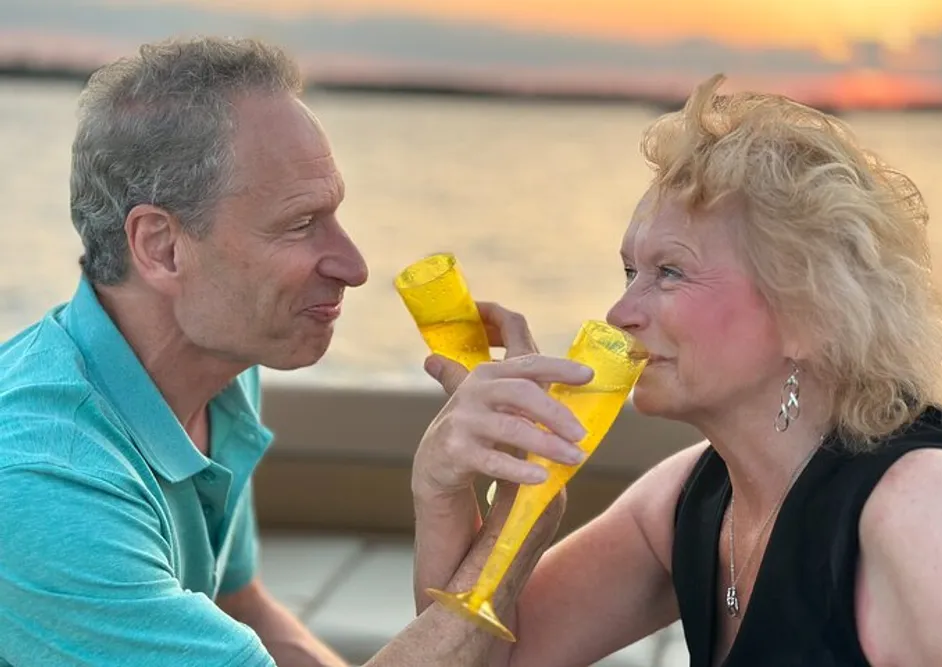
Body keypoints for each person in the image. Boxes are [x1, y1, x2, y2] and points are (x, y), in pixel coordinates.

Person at [0, 36, 564, 667]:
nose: (354, 266)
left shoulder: (222, 372)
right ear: (161, 246)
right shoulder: (42, 483)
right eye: (300, 224)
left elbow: (239, 607)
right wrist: (514, 531)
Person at [411, 74, 942, 666]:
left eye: (670, 272)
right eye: (628, 273)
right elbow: (479, 659)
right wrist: (450, 488)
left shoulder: (931, 505)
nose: (619, 314)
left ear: (811, 313)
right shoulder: (691, 498)